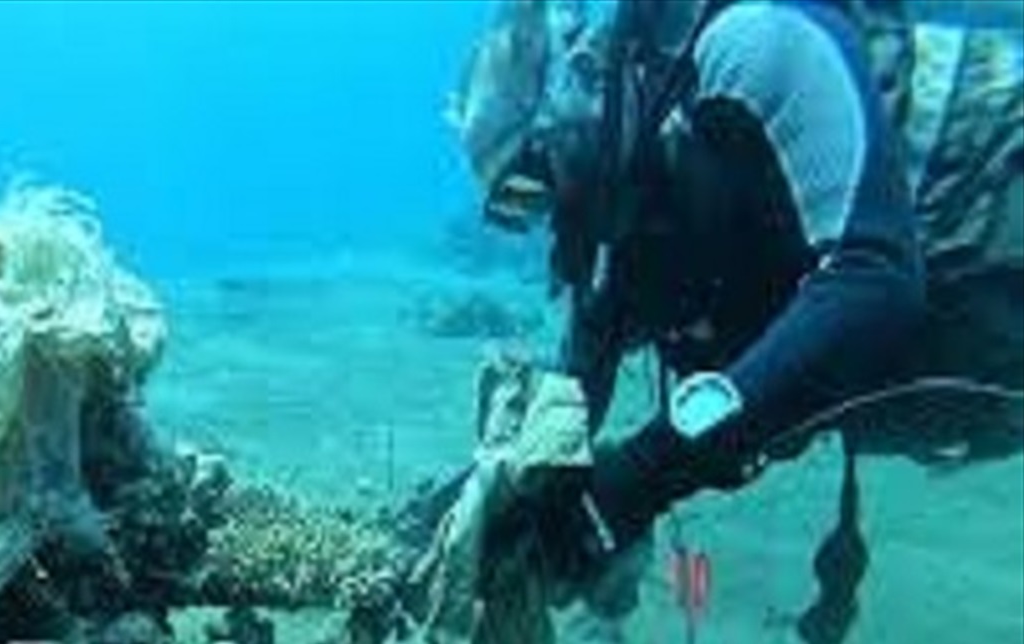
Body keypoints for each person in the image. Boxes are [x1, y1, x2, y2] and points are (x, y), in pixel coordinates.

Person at [417, 0, 1022, 640]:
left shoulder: (756, 43)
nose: (550, 219)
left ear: (577, 93)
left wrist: (643, 474)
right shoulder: (631, 208)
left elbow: (873, 280)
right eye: (516, 207)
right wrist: (480, 510)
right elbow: (575, 394)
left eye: (532, 185)